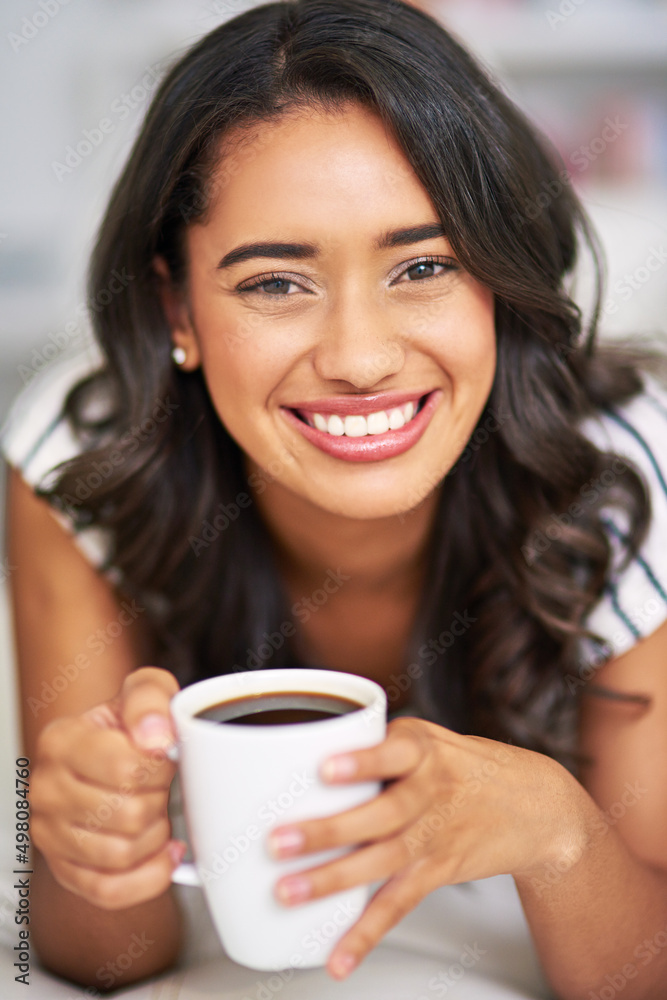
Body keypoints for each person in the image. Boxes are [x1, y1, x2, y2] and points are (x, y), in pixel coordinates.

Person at [3, 0, 667, 996]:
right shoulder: (80, 457)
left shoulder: (621, 468)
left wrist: (558, 830)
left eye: (425, 265)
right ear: (177, 306)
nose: (359, 358)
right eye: (275, 283)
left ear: (502, 279)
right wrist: (95, 838)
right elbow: (104, 958)